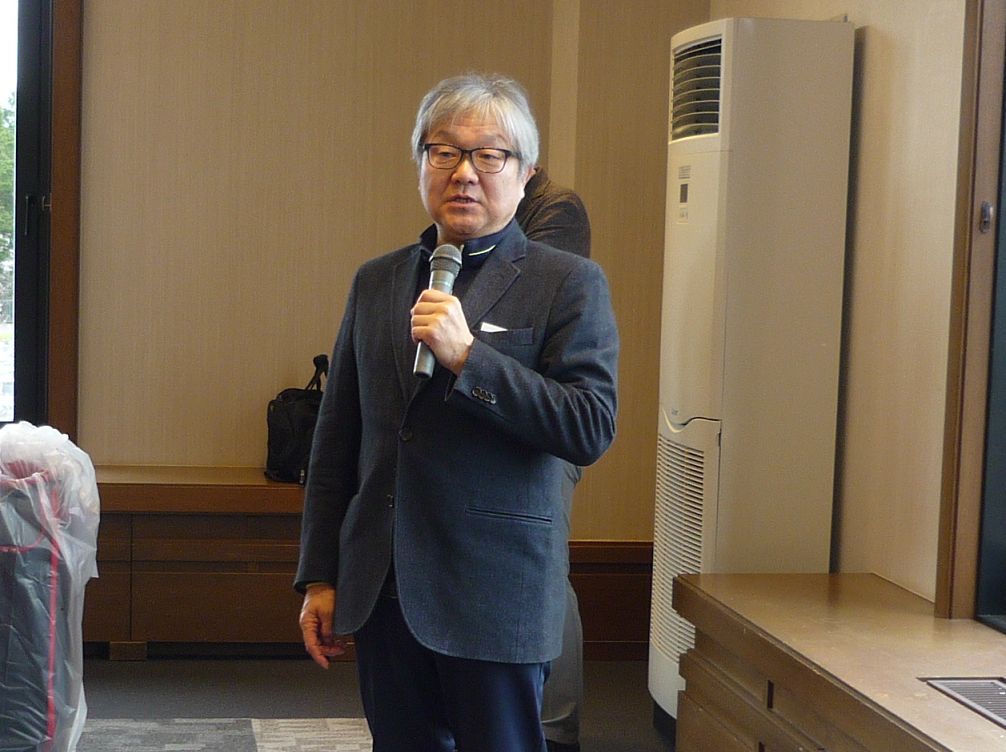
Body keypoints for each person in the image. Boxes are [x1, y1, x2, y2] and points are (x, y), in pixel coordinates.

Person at [296, 72, 619, 752]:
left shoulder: (567, 282)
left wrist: (470, 358)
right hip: (385, 590)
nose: (464, 173)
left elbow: (588, 426)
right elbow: (338, 440)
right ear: (421, 165)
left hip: (496, 593)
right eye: (443, 152)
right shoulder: (377, 280)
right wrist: (320, 575)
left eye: (489, 155)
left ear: (525, 174)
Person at [515, 168, 589, 752]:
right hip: (493, 422)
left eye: (490, 152)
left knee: (545, 574)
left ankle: (555, 729)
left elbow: (526, 308)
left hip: (546, 428)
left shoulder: (556, 208)